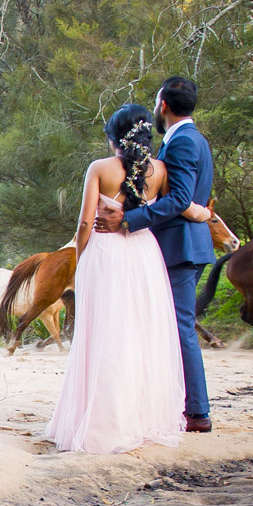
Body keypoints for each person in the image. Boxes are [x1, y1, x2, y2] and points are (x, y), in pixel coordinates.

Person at [46, 104, 210, 453]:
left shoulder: (99, 168)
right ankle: (141, 419)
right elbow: (178, 205)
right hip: (143, 252)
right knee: (140, 333)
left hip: (106, 252)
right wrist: (205, 213)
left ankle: (104, 421)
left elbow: (84, 223)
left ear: (113, 138)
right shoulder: (161, 170)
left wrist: (80, 257)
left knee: (105, 332)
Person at [94, 76, 216, 433]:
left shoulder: (181, 143)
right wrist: (199, 211)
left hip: (180, 246)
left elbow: (179, 198)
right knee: (174, 326)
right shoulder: (195, 140)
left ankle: (196, 412)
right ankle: (181, 405)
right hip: (187, 242)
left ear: (163, 105)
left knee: (180, 328)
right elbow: (189, 199)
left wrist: (127, 220)